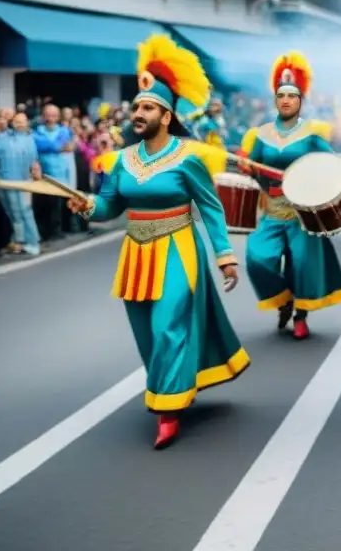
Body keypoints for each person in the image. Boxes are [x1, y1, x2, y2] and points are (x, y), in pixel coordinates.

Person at [67, 34, 248, 450]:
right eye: (136, 107)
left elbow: (211, 207)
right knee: (147, 333)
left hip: (178, 249)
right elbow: (110, 206)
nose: (138, 113)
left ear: (166, 116)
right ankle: (174, 383)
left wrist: (224, 257)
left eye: (147, 107)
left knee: (169, 326)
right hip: (134, 254)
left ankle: (167, 411)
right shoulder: (122, 162)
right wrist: (85, 205)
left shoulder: (188, 158)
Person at [238, 51, 341, 340]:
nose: (286, 100)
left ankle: (301, 315)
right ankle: (283, 299)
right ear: (275, 100)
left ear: (300, 101)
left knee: (302, 263)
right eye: (281, 95)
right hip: (273, 210)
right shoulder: (261, 135)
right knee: (256, 258)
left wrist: (336, 165)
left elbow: (331, 164)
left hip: (303, 211)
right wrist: (246, 166)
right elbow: (252, 169)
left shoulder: (312, 134)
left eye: (292, 95)